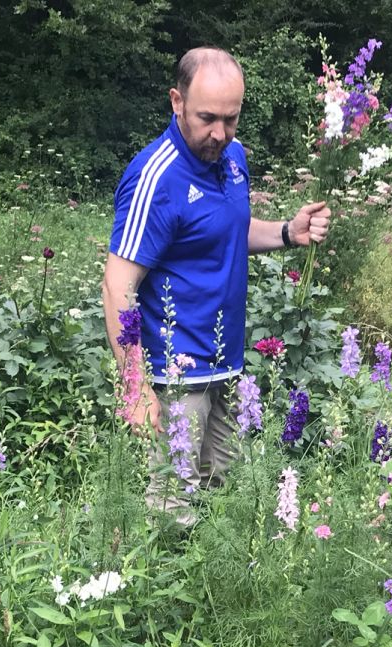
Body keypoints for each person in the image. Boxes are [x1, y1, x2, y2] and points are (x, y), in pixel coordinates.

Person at [101, 47, 332, 524]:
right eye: (208, 118)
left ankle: (204, 596)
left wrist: (288, 232)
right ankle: (161, 593)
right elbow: (117, 284)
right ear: (176, 102)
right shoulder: (155, 176)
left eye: (231, 119)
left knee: (216, 494)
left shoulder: (233, 157)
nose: (220, 133)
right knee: (172, 506)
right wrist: (134, 385)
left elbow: (227, 230)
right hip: (174, 375)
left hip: (225, 362)